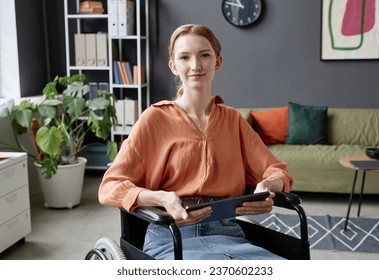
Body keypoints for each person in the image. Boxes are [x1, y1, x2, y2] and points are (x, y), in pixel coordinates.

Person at [98, 23, 293, 260]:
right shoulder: (154, 118)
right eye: (184, 57)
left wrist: (268, 188)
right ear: (173, 66)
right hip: (171, 233)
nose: (195, 65)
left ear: (217, 62)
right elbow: (110, 187)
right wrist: (161, 198)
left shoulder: (233, 120)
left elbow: (278, 172)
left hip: (228, 232)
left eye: (204, 55)